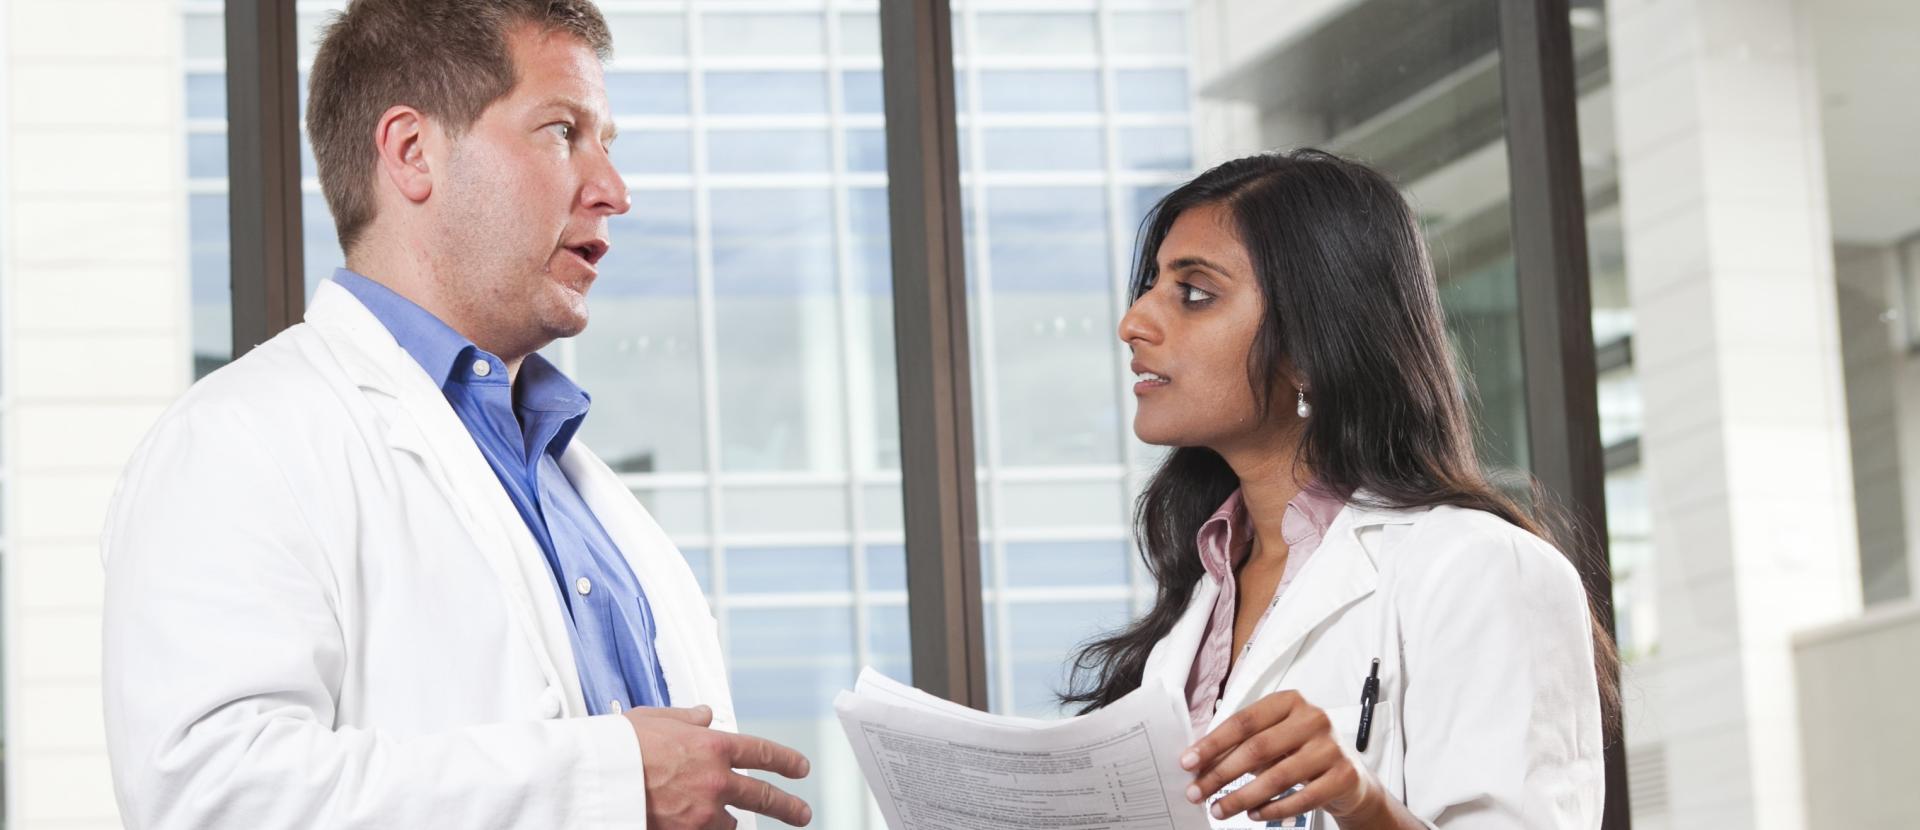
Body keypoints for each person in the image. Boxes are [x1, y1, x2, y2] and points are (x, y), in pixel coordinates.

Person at [99, 1, 810, 827]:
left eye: (607, 144)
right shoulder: (232, 444)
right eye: (561, 132)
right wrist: (605, 781)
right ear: (412, 153)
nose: (613, 190)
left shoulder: (576, 486)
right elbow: (212, 796)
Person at [1066, 150, 1618, 828]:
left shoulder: (1480, 569)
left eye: (1195, 294)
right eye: (1150, 288)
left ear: (1307, 343)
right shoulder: (1198, 601)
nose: (1135, 324)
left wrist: (1363, 804)